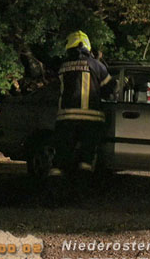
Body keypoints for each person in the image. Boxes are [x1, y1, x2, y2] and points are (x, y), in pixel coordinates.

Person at [48, 30, 115, 177]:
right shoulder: (97, 66)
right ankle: (84, 181)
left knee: (62, 153)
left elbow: (56, 89)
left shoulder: (63, 66)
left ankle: (55, 182)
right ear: (87, 46)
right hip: (91, 119)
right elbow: (109, 90)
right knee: (87, 156)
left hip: (66, 118)